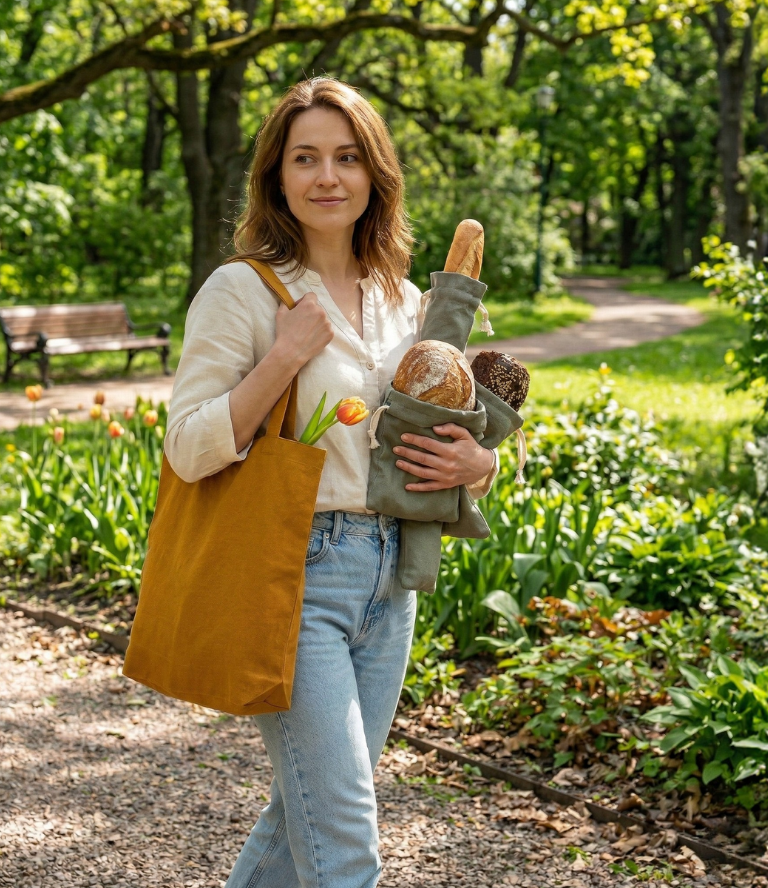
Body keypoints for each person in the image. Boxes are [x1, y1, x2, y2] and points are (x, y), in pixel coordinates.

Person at [163, 78, 501, 888]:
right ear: (276, 176)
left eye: (347, 158)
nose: (327, 177)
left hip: (394, 579)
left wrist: (479, 467)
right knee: (347, 836)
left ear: (374, 175)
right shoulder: (241, 290)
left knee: (303, 813)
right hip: (295, 574)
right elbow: (186, 446)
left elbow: (433, 432)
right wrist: (284, 354)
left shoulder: (405, 300)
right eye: (305, 158)